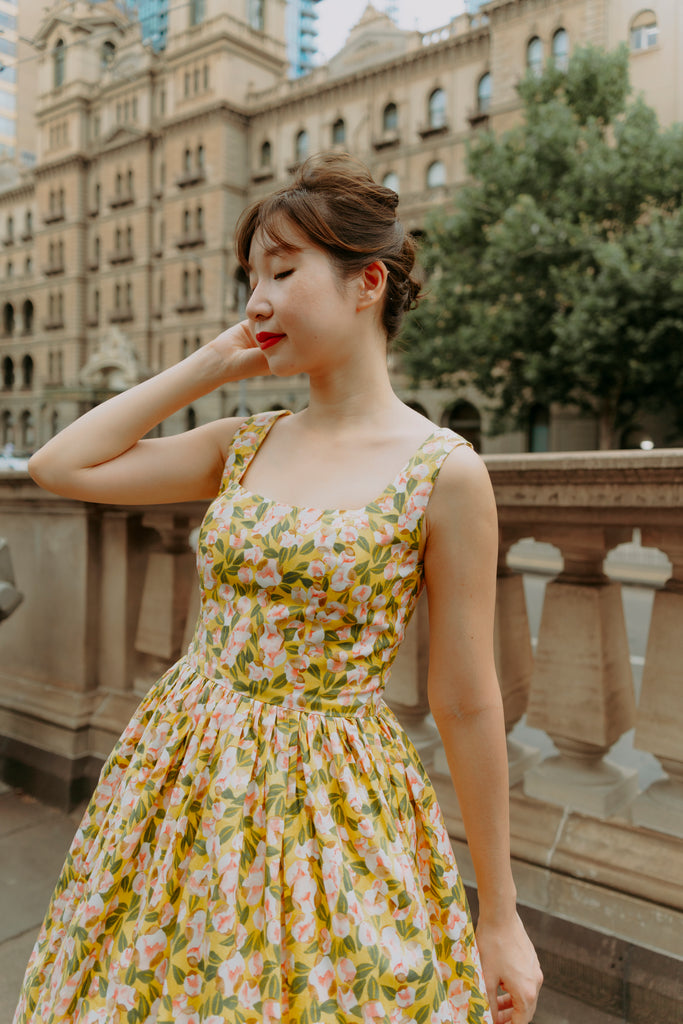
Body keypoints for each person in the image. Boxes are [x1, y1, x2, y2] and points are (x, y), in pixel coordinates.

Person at [15, 154, 542, 1024]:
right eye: (249, 277)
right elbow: (58, 465)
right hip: (180, 778)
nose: (255, 299)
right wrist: (211, 364)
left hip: (332, 802)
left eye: (283, 271)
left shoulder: (444, 471)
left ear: (367, 282)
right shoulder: (243, 443)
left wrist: (501, 912)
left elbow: (467, 700)